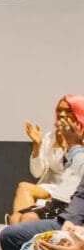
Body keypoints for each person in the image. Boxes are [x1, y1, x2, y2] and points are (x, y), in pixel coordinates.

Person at [7, 95, 84, 225]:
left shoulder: (79, 139)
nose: (62, 114)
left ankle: (23, 234)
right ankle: (19, 235)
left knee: (26, 219)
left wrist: (70, 145)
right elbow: (37, 173)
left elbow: (77, 171)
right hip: (52, 187)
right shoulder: (50, 137)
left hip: (72, 191)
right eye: (59, 110)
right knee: (17, 211)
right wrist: (37, 145)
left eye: (68, 110)